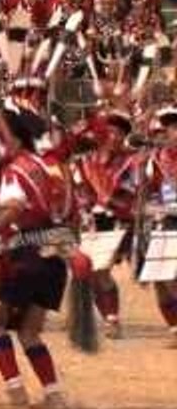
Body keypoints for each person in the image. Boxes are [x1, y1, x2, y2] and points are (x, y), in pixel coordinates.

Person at [0, 96, 72, 409]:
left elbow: (12, 209)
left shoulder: (16, 170)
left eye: (1, 134)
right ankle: (54, 394)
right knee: (30, 332)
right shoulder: (47, 166)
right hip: (54, 257)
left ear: (14, 139)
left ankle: (16, 391)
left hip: (28, 258)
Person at [74, 110, 137, 338]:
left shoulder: (130, 163)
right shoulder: (86, 161)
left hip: (117, 221)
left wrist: (106, 199)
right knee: (88, 273)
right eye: (109, 132)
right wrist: (85, 205)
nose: (114, 137)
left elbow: (129, 196)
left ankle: (112, 319)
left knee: (100, 270)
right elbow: (81, 191)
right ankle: (108, 317)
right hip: (90, 222)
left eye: (119, 133)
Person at [143, 106, 177, 348]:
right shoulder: (157, 159)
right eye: (168, 127)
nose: (171, 132)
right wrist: (152, 207)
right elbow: (151, 191)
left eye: (175, 126)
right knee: (160, 279)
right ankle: (175, 327)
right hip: (165, 222)